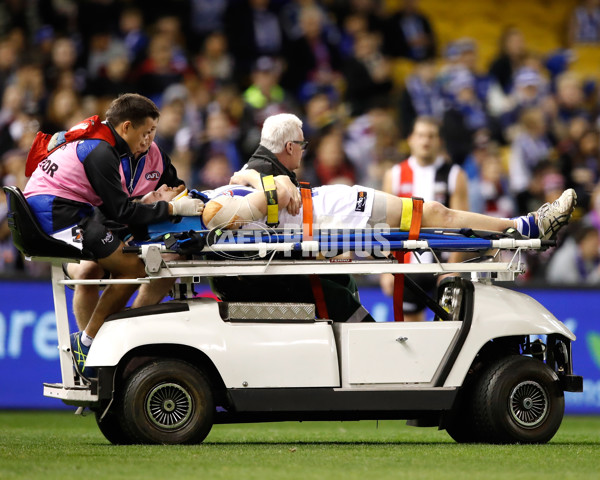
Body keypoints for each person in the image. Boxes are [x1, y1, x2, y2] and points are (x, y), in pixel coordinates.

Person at [23, 93, 204, 376]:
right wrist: (169, 208)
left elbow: (136, 202)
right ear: (126, 127)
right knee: (134, 267)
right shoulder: (101, 151)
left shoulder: (103, 141)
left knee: (125, 264)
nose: (149, 140)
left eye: (153, 133)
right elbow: (121, 211)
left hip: (62, 211)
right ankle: (89, 344)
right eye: (146, 133)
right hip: (58, 214)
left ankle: (93, 343)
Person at [225, 113, 371, 323]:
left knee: (344, 279)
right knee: (336, 296)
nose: (304, 150)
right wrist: (280, 181)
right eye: (302, 144)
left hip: (272, 266)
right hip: (258, 276)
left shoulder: (265, 170)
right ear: (290, 147)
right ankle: (364, 336)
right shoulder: (262, 174)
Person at [380, 116, 469, 322]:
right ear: (411, 139)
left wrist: (452, 270)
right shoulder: (394, 174)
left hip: (444, 263)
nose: (425, 141)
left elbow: (462, 226)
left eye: (431, 136)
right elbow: (385, 226)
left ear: (440, 141)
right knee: (411, 329)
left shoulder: (454, 175)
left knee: (449, 328)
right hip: (408, 264)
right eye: (420, 135)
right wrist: (387, 269)